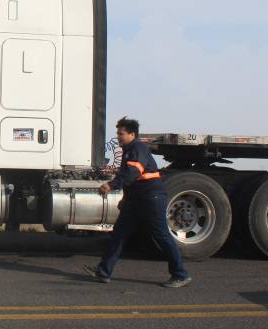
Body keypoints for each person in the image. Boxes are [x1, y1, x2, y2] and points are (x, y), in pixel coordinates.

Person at [82, 117, 191, 288]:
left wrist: (111, 185)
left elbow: (133, 172)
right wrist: (125, 199)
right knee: (119, 234)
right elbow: (131, 179)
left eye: (121, 133)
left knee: (161, 235)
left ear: (132, 134)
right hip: (136, 198)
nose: (118, 136)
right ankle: (103, 272)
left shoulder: (137, 148)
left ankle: (180, 274)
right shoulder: (128, 149)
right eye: (117, 133)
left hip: (151, 197)